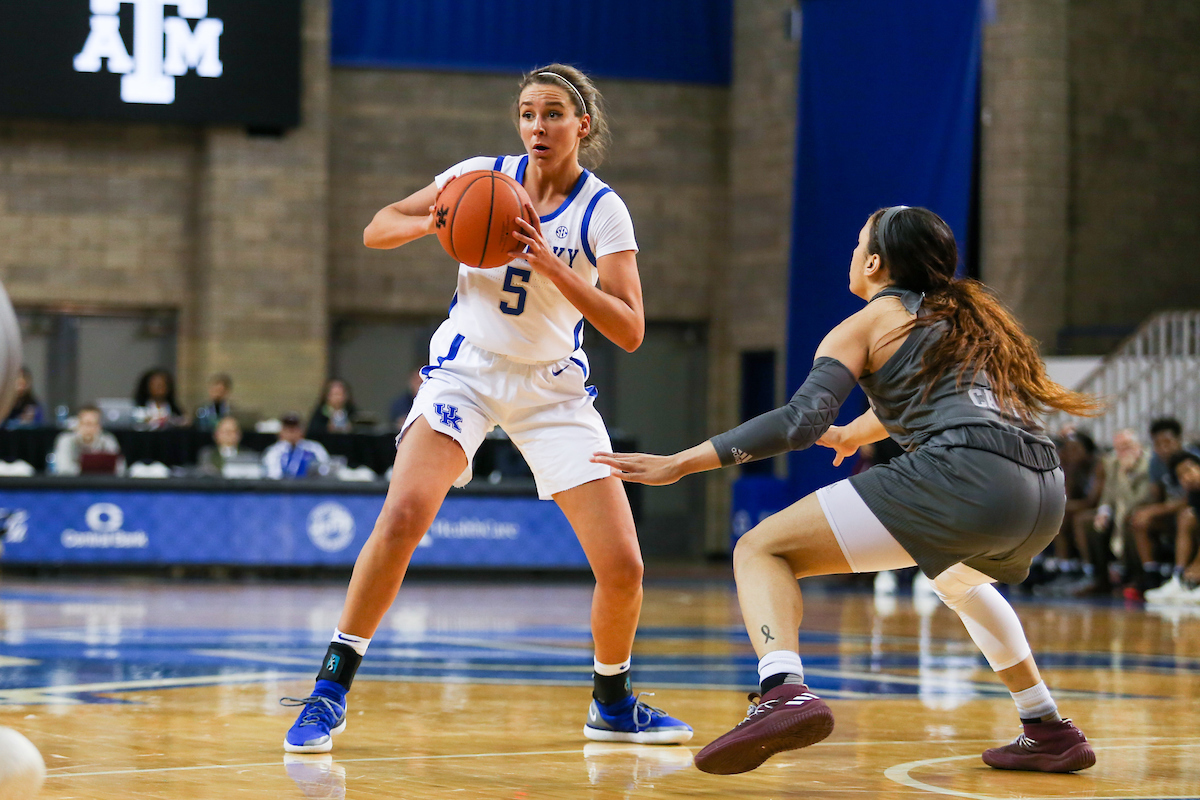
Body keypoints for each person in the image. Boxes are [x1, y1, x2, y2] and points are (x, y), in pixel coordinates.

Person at [593, 206, 1099, 775]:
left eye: (860, 244)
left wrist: (682, 463)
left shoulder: (864, 324)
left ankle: (783, 689)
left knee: (761, 549)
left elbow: (797, 421)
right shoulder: (968, 323)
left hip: (968, 475)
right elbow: (959, 403)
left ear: (877, 262)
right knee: (960, 578)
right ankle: (1046, 725)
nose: (853, 254)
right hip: (1043, 485)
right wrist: (859, 431)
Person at [280, 63, 691, 754]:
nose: (538, 126)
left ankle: (611, 704)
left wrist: (554, 265)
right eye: (529, 113)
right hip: (466, 372)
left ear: (581, 125)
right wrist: (435, 220)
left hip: (554, 388)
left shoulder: (602, 210)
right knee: (404, 514)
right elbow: (377, 228)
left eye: (554, 113)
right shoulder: (482, 177)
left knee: (624, 566)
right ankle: (329, 689)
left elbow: (630, 327)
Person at [1066, 429, 1152, 596]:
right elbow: (1108, 494)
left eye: (1128, 446)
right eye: (1119, 448)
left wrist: (1126, 475)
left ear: (1138, 446)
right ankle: (1100, 579)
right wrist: (1103, 511)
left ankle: (1137, 578)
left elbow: (1142, 498)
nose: (1124, 452)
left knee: (1132, 521)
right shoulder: (1113, 462)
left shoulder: (1146, 463)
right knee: (1090, 523)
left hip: (1137, 511)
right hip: (1118, 512)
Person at [1128, 418, 1199, 595]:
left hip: (1186, 511)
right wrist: (1148, 511)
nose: (1163, 448)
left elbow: (1186, 501)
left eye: (1168, 442)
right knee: (1138, 518)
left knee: (1187, 515)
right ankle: (1154, 575)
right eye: (1158, 444)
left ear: (1179, 441)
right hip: (1179, 512)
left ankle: (1186, 575)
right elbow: (1157, 497)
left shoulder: (1192, 457)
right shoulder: (1155, 463)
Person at [1144, 450, 1200, 602]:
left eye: (1189, 470)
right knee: (1186, 516)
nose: (1187, 477)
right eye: (1181, 476)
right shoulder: (1194, 494)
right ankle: (1178, 577)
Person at [52, 405, 123, 475]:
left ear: (99, 426)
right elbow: (63, 468)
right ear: (78, 424)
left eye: (93, 424)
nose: (89, 429)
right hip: (73, 484)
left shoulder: (108, 441)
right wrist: (89, 470)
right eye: (86, 424)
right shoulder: (66, 440)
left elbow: (120, 468)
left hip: (102, 484)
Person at [262, 413, 331, 479]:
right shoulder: (273, 451)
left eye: (295, 428)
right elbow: (273, 475)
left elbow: (325, 470)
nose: (291, 432)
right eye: (288, 428)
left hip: (310, 488)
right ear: (281, 432)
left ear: (302, 431)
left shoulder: (315, 448)